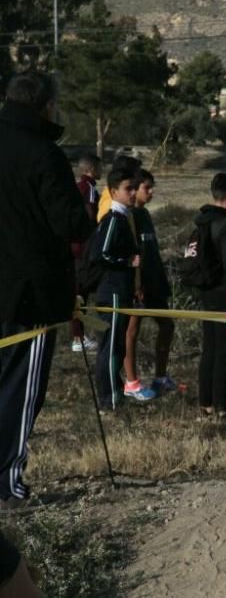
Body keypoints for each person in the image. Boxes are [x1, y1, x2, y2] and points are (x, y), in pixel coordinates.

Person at [0, 71, 93, 508]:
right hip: (30, 293)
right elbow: (70, 223)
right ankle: (7, 483)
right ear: (46, 106)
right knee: (21, 389)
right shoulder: (43, 154)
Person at [90, 167, 156, 407]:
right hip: (113, 291)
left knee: (117, 345)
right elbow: (101, 254)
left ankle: (115, 392)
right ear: (113, 191)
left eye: (133, 188)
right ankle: (109, 398)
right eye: (128, 189)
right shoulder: (113, 220)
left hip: (122, 290)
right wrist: (127, 262)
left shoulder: (123, 218)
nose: (132, 193)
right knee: (110, 348)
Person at [194, 173, 226, 419]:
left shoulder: (202, 221)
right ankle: (222, 406)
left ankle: (205, 402)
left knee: (210, 349)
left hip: (207, 293)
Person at [124, 169, 176, 393]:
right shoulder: (128, 217)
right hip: (138, 286)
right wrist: (137, 284)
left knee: (167, 325)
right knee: (132, 330)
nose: (151, 192)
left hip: (156, 282)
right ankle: (132, 382)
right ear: (134, 190)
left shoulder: (144, 214)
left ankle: (160, 377)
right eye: (148, 187)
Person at [71, 153, 102, 352]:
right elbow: (91, 214)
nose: (102, 171)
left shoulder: (76, 186)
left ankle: (79, 336)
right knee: (81, 293)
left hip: (75, 247)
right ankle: (78, 338)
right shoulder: (89, 187)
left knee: (79, 293)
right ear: (90, 169)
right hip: (84, 249)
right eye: (100, 167)